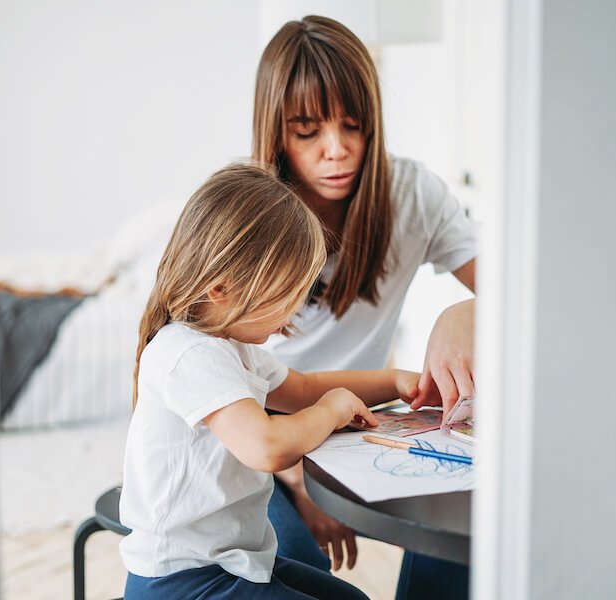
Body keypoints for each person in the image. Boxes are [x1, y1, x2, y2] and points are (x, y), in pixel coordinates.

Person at [120, 163, 431, 600]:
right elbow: (266, 446)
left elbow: (305, 387)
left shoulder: (234, 349)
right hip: (182, 581)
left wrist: (395, 381)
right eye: (287, 293)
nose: (294, 310)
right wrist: (332, 411)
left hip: (231, 563)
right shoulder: (188, 354)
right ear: (221, 288)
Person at [252, 15, 478, 599]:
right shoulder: (249, 215)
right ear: (277, 134)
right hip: (252, 434)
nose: (337, 150)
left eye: (353, 124)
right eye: (308, 132)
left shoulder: (411, 195)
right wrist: (300, 480)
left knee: (462, 535)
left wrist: (462, 314)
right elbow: (215, 376)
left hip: (358, 415)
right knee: (296, 569)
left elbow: (522, 292)